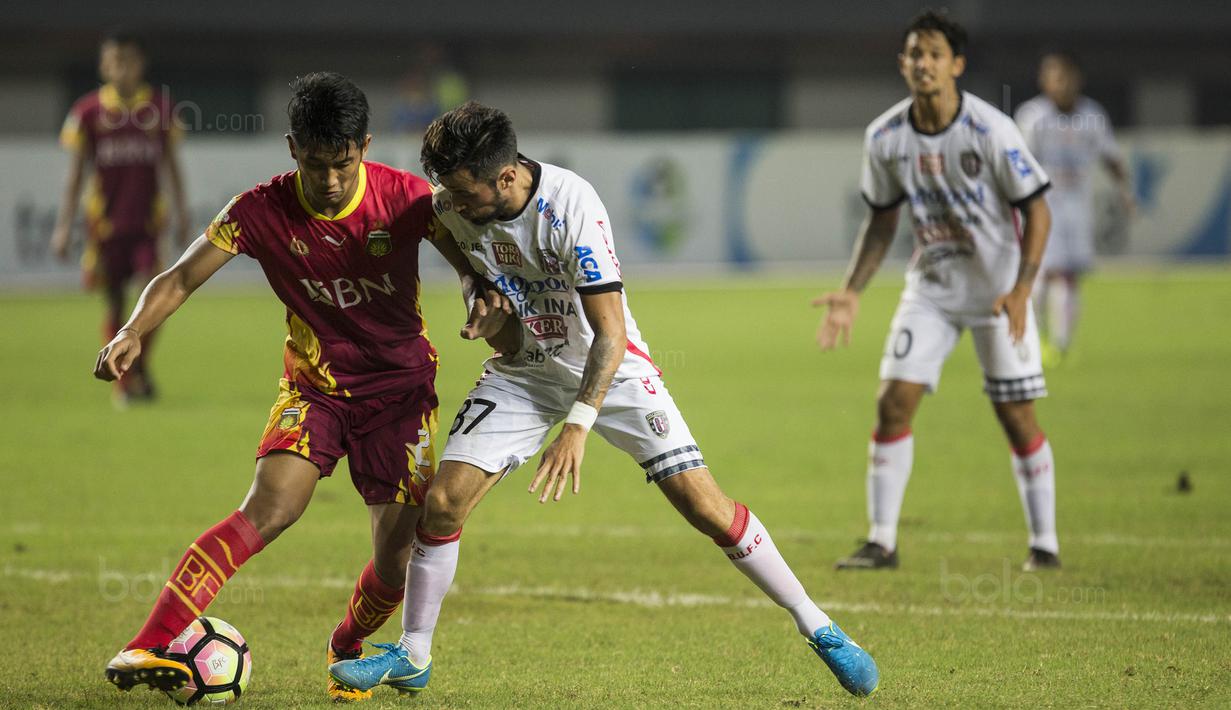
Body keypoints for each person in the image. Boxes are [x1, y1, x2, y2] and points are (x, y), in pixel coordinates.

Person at [327, 101, 880, 699]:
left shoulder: (571, 206)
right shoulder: (450, 207)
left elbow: (610, 333)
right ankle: (414, 653)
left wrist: (578, 426)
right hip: (524, 371)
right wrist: (479, 297)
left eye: (465, 196)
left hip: (609, 370)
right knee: (442, 503)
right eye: (449, 195)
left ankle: (818, 626)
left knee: (704, 506)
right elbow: (469, 266)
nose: (453, 207)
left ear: (505, 176)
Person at [95, 73, 502, 703]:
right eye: (317, 165)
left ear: (363, 146)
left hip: (399, 394)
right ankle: (150, 640)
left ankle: (346, 643)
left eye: (343, 163)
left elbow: (471, 269)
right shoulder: (258, 211)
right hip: (316, 388)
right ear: (293, 149)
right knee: (271, 507)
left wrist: (480, 299)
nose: (332, 180)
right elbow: (177, 278)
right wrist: (131, 330)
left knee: (396, 563)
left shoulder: (408, 199)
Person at [812, 10, 1062, 573]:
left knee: (1015, 416)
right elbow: (881, 221)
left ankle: (1044, 545)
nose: (922, 63)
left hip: (999, 292)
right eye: (913, 54)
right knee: (892, 401)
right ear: (902, 64)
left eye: (933, 54)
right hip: (932, 289)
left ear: (957, 65)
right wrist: (852, 290)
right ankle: (882, 541)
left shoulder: (991, 130)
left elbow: (1037, 209)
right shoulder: (885, 137)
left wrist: (1024, 289)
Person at [52, 29, 191, 406]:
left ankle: (140, 366)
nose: (121, 68)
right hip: (106, 226)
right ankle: (123, 381)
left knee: (153, 296)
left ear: (141, 63)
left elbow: (171, 167)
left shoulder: (160, 109)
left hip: (147, 224)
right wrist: (64, 225)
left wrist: (181, 213)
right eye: (114, 61)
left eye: (128, 60)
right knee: (115, 304)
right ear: (103, 65)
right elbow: (77, 174)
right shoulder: (88, 112)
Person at [1015, 51, 1134, 364]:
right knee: (1041, 273)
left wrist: (1125, 192)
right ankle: (1036, 340)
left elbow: (1111, 157)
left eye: (1065, 76)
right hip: (1042, 205)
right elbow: (1018, 162)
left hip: (1077, 207)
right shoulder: (1032, 116)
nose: (1060, 83)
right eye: (1054, 76)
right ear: (1044, 80)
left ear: (1077, 79)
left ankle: (1062, 345)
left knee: (1069, 275)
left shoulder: (1092, 115)